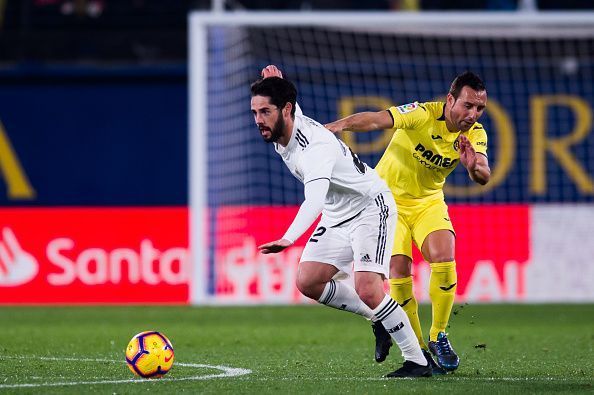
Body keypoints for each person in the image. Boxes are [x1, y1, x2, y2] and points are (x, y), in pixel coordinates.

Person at [252, 65, 431, 378]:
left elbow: (315, 200)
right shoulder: (285, 126)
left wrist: (289, 237)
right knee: (308, 281)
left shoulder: (315, 148)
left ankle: (418, 361)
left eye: (264, 111)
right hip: (338, 212)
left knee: (368, 287)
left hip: (370, 207)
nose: (258, 121)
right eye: (254, 112)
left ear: (285, 110)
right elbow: (291, 108)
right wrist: (277, 83)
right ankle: (378, 319)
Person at [325, 71, 491, 373]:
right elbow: (377, 120)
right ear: (450, 99)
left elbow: (483, 173)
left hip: (428, 202)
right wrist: (339, 126)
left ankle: (438, 335)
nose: (473, 114)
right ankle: (418, 349)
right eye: (467, 105)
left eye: (479, 108)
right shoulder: (421, 113)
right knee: (399, 271)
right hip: (387, 203)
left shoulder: (476, 134)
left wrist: (471, 166)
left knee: (444, 256)